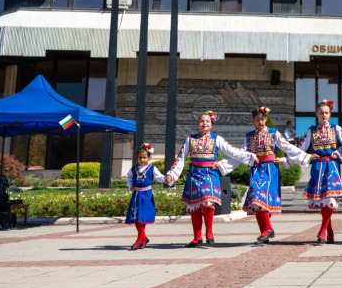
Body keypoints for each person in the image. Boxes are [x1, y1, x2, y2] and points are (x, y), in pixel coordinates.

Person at [165, 111, 256, 247]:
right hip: (194, 174)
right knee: (195, 207)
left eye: (207, 121)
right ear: (197, 124)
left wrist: (249, 157)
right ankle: (197, 237)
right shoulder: (190, 139)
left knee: (208, 202)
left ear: (211, 124)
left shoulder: (216, 138)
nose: (204, 123)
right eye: (202, 121)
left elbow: (232, 152)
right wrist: (172, 173)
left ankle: (209, 231)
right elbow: (181, 157)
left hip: (210, 173)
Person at [240, 106, 312, 245]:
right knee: (256, 199)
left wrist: (305, 156)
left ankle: (267, 230)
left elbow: (287, 147)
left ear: (266, 119)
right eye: (257, 120)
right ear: (253, 121)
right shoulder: (249, 136)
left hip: (269, 169)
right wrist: (247, 156)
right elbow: (241, 152)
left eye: (262, 119)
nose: (260, 122)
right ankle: (265, 232)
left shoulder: (273, 133)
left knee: (260, 197)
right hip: (256, 169)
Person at [297, 100, 342, 244]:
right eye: (321, 113)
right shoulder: (311, 130)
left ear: (330, 114)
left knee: (330, 199)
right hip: (317, 168)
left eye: (326, 113)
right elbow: (299, 148)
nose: (324, 115)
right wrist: (308, 156)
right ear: (316, 114)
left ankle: (322, 231)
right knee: (323, 201)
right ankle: (331, 232)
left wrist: (340, 153)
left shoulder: (336, 129)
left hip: (332, 167)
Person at [125, 143, 166, 250]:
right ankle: (143, 237)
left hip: (146, 196)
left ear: (149, 157)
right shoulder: (133, 169)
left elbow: (160, 177)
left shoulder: (152, 168)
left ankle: (139, 240)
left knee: (141, 218)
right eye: (140, 158)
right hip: (137, 195)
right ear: (136, 158)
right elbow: (129, 178)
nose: (142, 160)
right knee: (137, 218)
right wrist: (130, 186)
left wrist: (167, 178)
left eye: (144, 157)